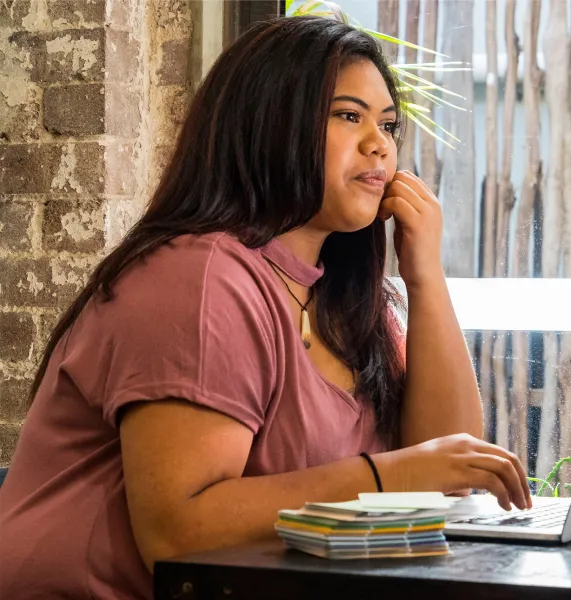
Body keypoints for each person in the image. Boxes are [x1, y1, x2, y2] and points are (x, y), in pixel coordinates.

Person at [0, 16, 531, 600]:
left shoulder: (341, 297)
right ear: (270, 126)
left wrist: (425, 276)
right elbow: (179, 532)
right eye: (349, 116)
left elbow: (451, 469)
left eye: (388, 124)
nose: (380, 143)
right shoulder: (199, 278)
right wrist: (392, 477)